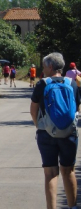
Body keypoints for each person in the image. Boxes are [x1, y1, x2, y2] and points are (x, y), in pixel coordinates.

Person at [30, 53, 80, 209]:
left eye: (44, 67)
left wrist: (39, 125)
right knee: (69, 170)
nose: (43, 70)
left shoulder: (42, 84)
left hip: (46, 133)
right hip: (69, 133)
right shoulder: (72, 84)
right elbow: (76, 108)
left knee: (51, 173)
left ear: (50, 67)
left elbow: (33, 109)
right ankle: (72, 207)